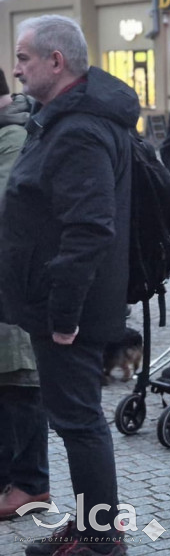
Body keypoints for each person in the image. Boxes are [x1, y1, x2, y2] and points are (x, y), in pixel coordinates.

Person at [0, 15, 134, 554]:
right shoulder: (64, 118)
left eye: (23, 57)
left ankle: (100, 539)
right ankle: (89, 525)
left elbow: (89, 228)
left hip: (70, 310)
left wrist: (63, 315)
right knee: (74, 420)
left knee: (80, 423)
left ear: (56, 62)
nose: (16, 68)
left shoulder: (80, 129)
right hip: (57, 301)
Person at [0, 68, 50, 522]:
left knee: (20, 382)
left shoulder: (14, 137)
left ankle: (32, 484)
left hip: (16, 283)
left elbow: (7, 208)